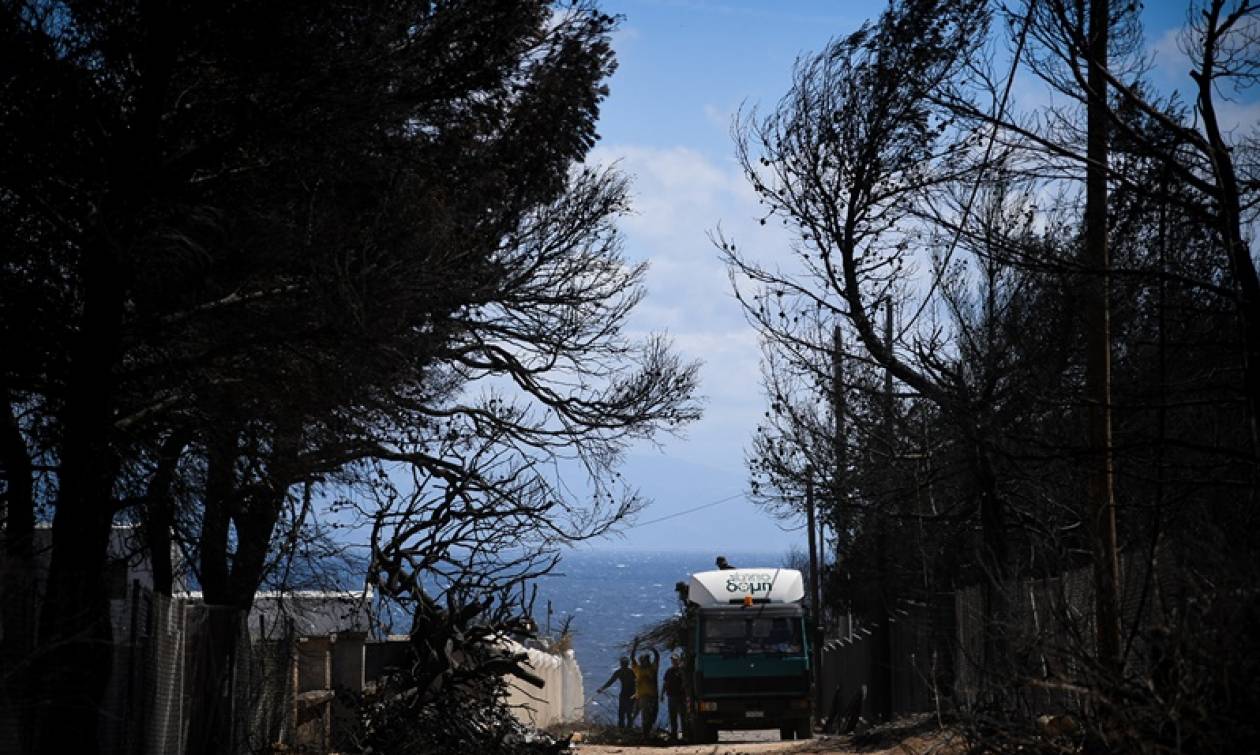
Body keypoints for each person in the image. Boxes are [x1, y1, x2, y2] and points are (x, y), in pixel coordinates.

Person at [630, 637, 660, 739]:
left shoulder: (652, 668)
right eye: (643, 660)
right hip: (640, 697)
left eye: (646, 660)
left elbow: (657, 658)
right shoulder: (638, 669)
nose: (644, 662)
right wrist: (635, 646)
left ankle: (645, 734)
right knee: (636, 715)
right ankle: (642, 733)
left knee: (646, 717)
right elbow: (632, 658)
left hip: (648, 697)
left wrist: (653, 648)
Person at [597, 657, 637, 729]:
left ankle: (626, 729)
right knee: (625, 713)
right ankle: (625, 729)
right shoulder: (629, 672)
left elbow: (610, 682)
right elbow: (610, 682)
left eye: (624, 663)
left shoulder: (624, 672)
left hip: (629, 695)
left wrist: (602, 688)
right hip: (627, 694)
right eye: (623, 663)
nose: (623, 665)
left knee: (626, 713)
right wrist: (602, 688)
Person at [660, 654, 686, 741]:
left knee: (682, 716)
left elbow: (685, 683)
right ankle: (674, 735)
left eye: (675, 660)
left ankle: (684, 735)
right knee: (673, 717)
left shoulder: (682, 671)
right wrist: (662, 694)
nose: (674, 662)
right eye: (672, 661)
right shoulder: (669, 671)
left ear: (678, 661)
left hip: (680, 697)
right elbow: (665, 683)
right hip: (671, 697)